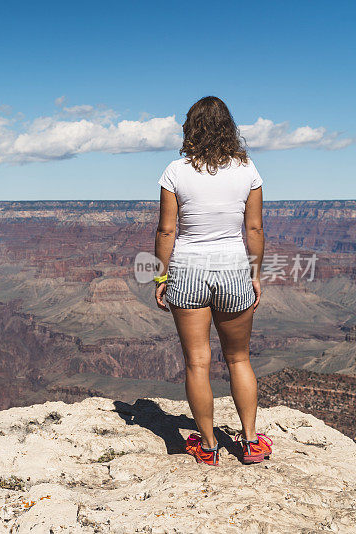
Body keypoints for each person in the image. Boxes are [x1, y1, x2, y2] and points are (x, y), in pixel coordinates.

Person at [153, 96, 273, 466]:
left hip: (188, 270)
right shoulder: (247, 169)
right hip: (234, 268)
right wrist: (255, 273)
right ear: (228, 128)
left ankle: (207, 446)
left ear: (191, 128)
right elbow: (253, 228)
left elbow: (166, 230)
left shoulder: (175, 171)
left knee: (197, 363)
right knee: (238, 358)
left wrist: (160, 275)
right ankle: (251, 441)